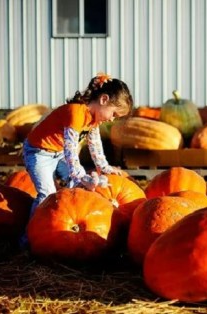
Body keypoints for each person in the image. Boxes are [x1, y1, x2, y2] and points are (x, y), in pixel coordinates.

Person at [22, 72, 133, 219]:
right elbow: (71, 149)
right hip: (38, 153)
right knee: (46, 194)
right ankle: (28, 237)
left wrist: (104, 167)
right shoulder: (76, 112)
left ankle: (66, 219)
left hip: (58, 153)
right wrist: (80, 175)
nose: (112, 120)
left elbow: (95, 146)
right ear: (104, 99)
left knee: (78, 187)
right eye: (114, 114)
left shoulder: (94, 120)